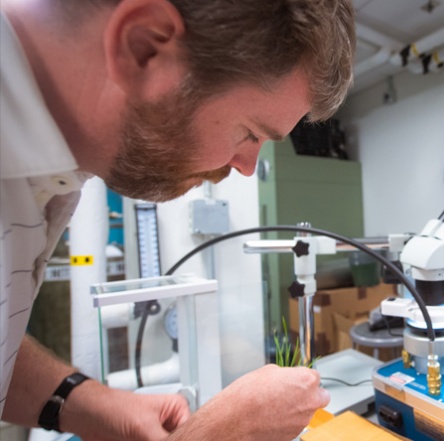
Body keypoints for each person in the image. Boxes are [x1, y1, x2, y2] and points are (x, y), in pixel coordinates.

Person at [0, 0, 355, 439]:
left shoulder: (46, 173)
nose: (247, 166)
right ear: (144, 47)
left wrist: (85, 402)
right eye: (250, 132)